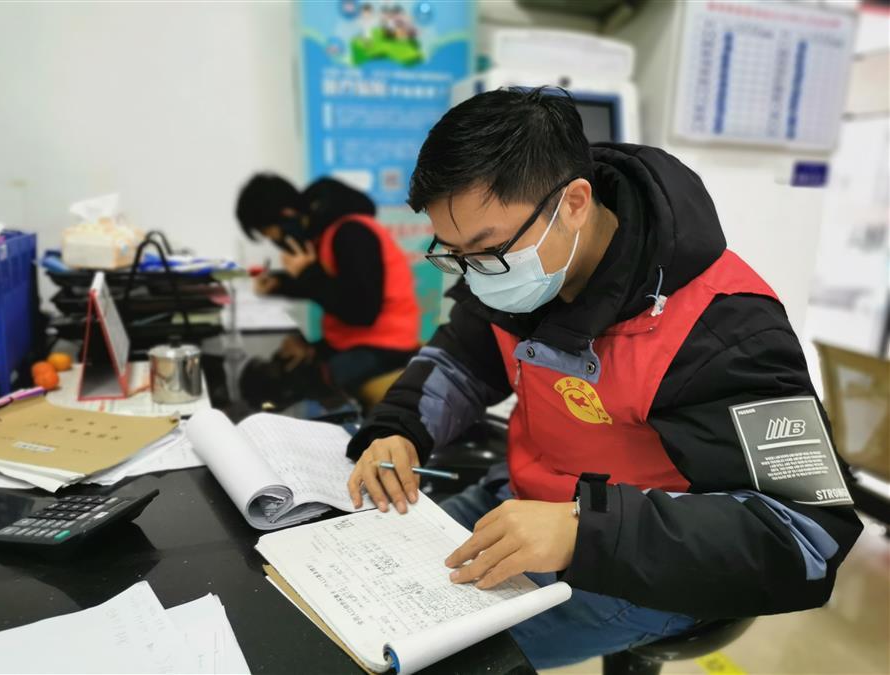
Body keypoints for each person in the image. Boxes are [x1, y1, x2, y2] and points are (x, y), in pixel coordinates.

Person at [343, 88, 863, 669]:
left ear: (574, 203)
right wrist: (400, 428)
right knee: (354, 590)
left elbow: (805, 534)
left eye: (487, 251)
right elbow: (462, 359)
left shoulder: (724, 329)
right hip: (523, 503)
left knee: (428, 658)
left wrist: (584, 530)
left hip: (648, 559)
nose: (475, 273)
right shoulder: (519, 272)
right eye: (454, 253)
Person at [235, 174, 420, 393]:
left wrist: (307, 273)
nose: (275, 242)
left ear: (286, 214)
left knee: (289, 386)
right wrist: (279, 283)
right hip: (350, 341)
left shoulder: (352, 233)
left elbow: (363, 312)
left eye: (270, 234)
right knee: (286, 363)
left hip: (385, 347)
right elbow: (333, 287)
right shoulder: (326, 233)